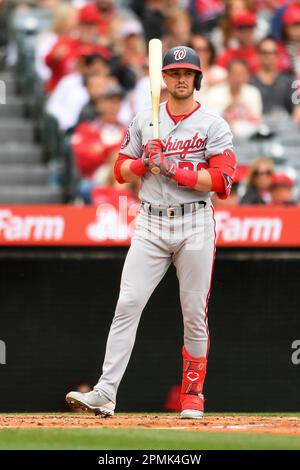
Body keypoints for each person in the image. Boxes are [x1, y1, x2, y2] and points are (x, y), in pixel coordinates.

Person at [66, 45, 237, 419]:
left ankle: (193, 393)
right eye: (174, 73)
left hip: (194, 221)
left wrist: (174, 169)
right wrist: (145, 163)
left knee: (193, 312)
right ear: (164, 78)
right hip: (151, 221)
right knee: (128, 303)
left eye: (187, 73)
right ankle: (105, 391)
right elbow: (120, 170)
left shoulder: (213, 124)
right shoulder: (146, 119)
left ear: (197, 78)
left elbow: (222, 181)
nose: (180, 79)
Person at [204, 58, 263, 138]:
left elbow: (256, 119)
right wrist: (225, 110)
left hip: (248, 137)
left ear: (247, 76)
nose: (237, 77)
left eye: (242, 73)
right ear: (228, 74)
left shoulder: (253, 93)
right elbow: (209, 120)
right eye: (234, 73)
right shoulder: (214, 93)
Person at [251, 36, 300, 124]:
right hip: (258, 131)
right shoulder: (250, 82)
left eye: (273, 53)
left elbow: (297, 110)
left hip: (285, 129)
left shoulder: (289, 81)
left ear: (278, 55)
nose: (269, 56)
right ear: (258, 55)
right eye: (265, 52)